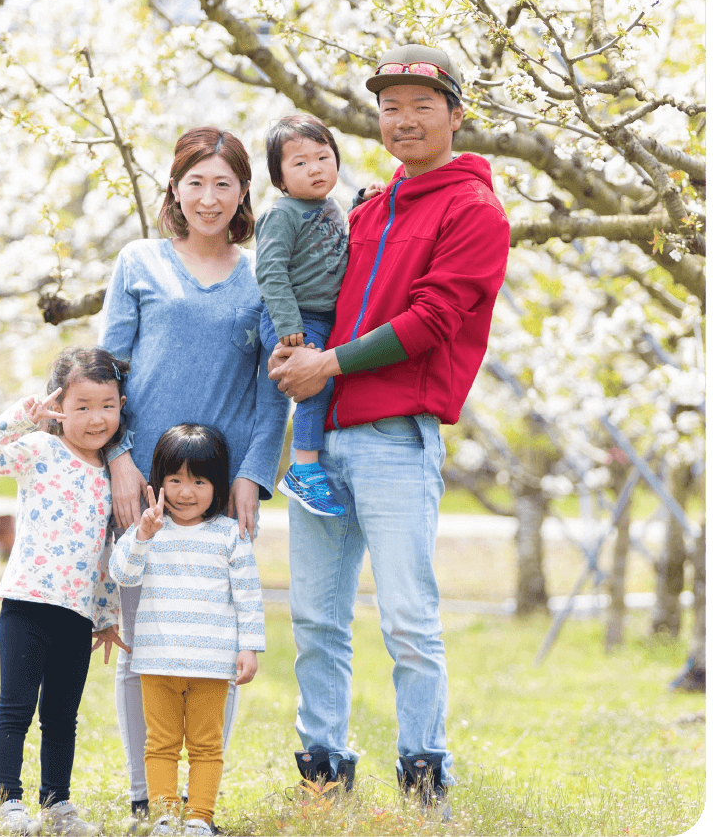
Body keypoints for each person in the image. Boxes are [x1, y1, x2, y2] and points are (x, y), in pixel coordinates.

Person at [265, 45, 512, 822]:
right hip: (322, 435)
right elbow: (319, 292)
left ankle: (424, 775)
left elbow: (435, 319)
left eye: (421, 106)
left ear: (456, 115)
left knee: (407, 617)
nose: (402, 120)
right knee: (314, 616)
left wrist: (328, 363)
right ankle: (324, 768)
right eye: (389, 107)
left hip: (395, 438)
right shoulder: (369, 206)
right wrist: (293, 343)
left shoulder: (474, 210)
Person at [95, 126, 289, 828]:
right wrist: (117, 457)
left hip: (219, 493)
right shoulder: (139, 260)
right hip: (142, 488)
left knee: (215, 639)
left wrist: (254, 478)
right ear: (175, 188)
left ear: (243, 193)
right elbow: (106, 368)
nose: (209, 197)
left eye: (224, 184)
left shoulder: (263, 275)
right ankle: (146, 796)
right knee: (140, 642)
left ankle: (200, 808)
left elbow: (274, 392)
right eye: (196, 182)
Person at [0, 346, 130, 837]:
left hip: (76, 614)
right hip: (27, 603)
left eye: (107, 405)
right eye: (82, 407)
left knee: (62, 717)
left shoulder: (111, 476)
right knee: (15, 707)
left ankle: (57, 805)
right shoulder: (39, 449)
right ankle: (6, 804)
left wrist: (106, 615)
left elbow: (104, 558)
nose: (96, 418)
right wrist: (20, 418)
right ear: (59, 406)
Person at [108, 424, 263, 837]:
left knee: (207, 746)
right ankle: (163, 817)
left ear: (218, 484)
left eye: (199, 481)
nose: (185, 492)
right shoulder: (150, 529)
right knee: (159, 744)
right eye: (174, 480)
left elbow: (248, 596)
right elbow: (121, 573)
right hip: (157, 661)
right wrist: (141, 534)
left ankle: (199, 818)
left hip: (212, 664)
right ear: (158, 482)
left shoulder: (230, 534)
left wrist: (249, 647)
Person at [254, 114, 351, 518]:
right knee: (316, 383)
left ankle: (310, 463)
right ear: (280, 179)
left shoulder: (332, 207)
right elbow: (270, 270)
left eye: (322, 157)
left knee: (325, 380)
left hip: (322, 317)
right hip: (292, 316)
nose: (314, 168)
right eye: (299, 163)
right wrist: (288, 323)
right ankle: (304, 468)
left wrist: (366, 201)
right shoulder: (283, 214)